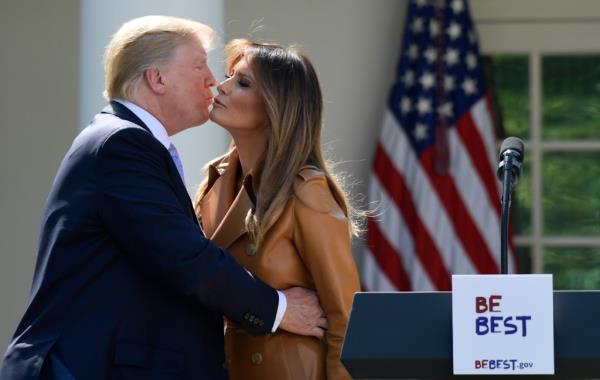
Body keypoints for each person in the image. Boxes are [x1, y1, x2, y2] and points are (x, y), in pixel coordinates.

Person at [0, 16, 327, 380]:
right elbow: (184, 257)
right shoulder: (121, 143)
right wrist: (279, 309)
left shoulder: (127, 141)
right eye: (199, 66)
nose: (212, 81)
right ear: (157, 79)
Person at [194, 39, 361, 380]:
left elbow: (345, 316)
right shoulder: (215, 180)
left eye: (242, 82)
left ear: (276, 107)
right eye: (228, 76)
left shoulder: (306, 190)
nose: (220, 87)